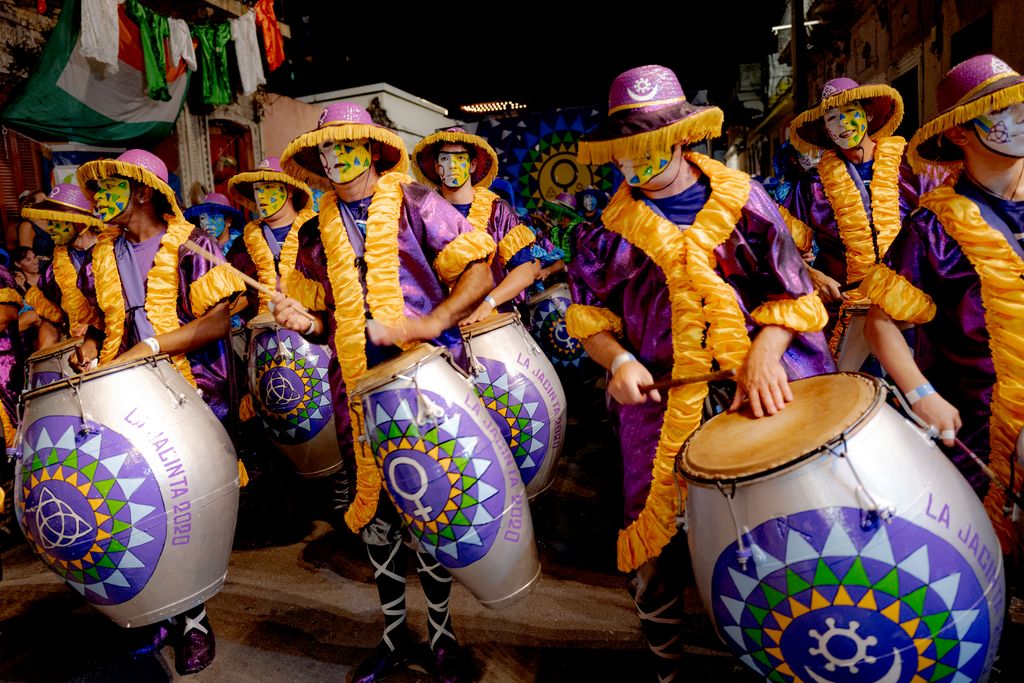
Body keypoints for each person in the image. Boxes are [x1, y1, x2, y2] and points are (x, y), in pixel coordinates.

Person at [568, 64, 835, 681]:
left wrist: (765, 352)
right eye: (626, 147)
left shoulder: (748, 202)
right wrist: (619, 359)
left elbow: (793, 289)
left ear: (684, 137)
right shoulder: (607, 231)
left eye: (651, 141)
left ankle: (773, 654)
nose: (638, 160)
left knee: (779, 526)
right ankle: (669, 668)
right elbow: (589, 315)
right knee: (651, 536)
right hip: (662, 398)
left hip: (760, 387)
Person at [275, 102, 495, 683]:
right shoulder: (312, 230)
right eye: (328, 149)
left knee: (433, 508)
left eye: (348, 146)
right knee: (378, 517)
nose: (338, 158)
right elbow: (323, 320)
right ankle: (396, 634)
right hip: (355, 390)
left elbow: (479, 272)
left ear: (373, 150)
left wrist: (430, 322)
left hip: (424, 381)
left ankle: (444, 636)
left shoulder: (419, 204)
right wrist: (306, 325)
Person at [72, 149, 246, 675]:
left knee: (184, 506)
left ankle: (194, 621)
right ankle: (160, 615)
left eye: (110, 191)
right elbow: (102, 323)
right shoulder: (102, 253)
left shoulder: (194, 244)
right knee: (140, 501)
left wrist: (151, 348)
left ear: (142, 192)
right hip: (126, 393)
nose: (99, 201)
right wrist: (89, 345)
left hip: (189, 390)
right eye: (98, 192)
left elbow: (218, 323)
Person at [863, 54, 1024, 553]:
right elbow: (881, 321)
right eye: (1003, 108)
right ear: (959, 133)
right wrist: (921, 395)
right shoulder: (932, 228)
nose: (1021, 117)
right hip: (981, 425)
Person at [780, 78, 936, 319]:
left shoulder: (911, 167)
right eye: (832, 118)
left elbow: (946, 229)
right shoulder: (811, 186)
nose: (843, 123)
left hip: (912, 307)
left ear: (869, 115)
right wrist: (811, 275)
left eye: (850, 112)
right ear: (825, 130)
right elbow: (778, 241)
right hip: (843, 308)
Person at [411, 127, 540, 324]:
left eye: (459, 158)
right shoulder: (423, 213)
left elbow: (524, 272)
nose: (452, 165)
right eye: (445, 159)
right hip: (444, 329)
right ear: (437, 167)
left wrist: (488, 303)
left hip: (492, 325)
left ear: (472, 165)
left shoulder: (497, 211)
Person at [21, 184, 105, 348]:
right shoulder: (56, 266)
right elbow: (50, 314)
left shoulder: (113, 253)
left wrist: (95, 327)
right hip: (81, 350)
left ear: (79, 224)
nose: (50, 227)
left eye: (55, 221)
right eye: (49, 221)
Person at [16, 189, 55, 259]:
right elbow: (27, 257)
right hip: (41, 267)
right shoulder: (27, 226)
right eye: (43, 201)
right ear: (32, 207)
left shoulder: (52, 221)